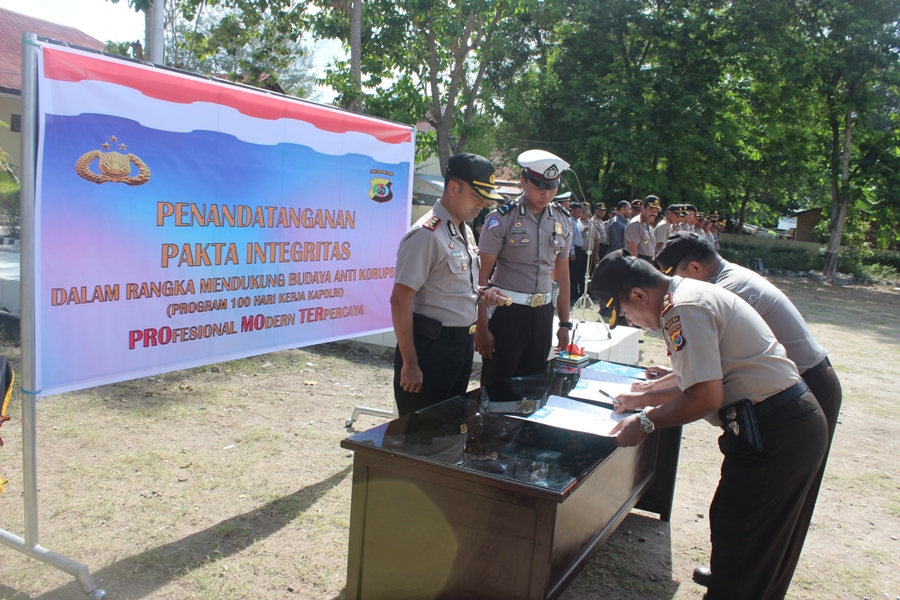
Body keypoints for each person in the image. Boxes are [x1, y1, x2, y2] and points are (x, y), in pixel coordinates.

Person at [589, 250, 827, 600]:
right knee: (745, 543)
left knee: (742, 543)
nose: (633, 323)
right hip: (783, 426)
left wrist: (643, 422)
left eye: (626, 314)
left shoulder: (683, 309)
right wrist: (642, 398)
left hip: (776, 433)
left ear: (640, 295)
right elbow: (701, 377)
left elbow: (704, 396)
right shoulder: (687, 296)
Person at [654, 232, 842, 597]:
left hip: (801, 392)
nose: (672, 290)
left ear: (695, 267)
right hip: (784, 391)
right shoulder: (721, 281)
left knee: (777, 510)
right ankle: (733, 572)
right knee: (739, 507)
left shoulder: (726, 290)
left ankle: (757, 583)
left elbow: (710, 381)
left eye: (674, 278)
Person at [391, 153, 509, 416]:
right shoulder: (426, 234)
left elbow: (448, 285)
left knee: (449, 429)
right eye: (477, 197)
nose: (483, 205)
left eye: (485, 198)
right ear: (453, 188)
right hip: (431, 350)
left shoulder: (462, 229)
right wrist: (410, 363)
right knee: (421, 434)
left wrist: (482, 294)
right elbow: (400, 299)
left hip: (459, 348)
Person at [476, 149, 573, 387]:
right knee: (499, 386)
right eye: (539, 184)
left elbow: (561, 276)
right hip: (507, 314)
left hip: (542, 315)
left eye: (552, 185)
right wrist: (481, 326)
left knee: (534, 385)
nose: (546, 192)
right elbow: (479, 278)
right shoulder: (501, 219)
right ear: (523, 181)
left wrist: (564, 324)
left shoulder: (562, 220)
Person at [625, 195, 661, 261]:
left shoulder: (647, 225)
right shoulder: (636, 224)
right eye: (651, 209)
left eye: (656, 211)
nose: (654, 214)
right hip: (640, 264)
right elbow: (632, 249)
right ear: (643, 208)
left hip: (647, 263)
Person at [568, 201, 588, 299]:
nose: (580, 214)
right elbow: (570, 239)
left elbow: (583, 236)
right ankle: (572, 294)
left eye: (581, 212)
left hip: (580, 249)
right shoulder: (570, 221)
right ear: (572, 211)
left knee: (579, 273)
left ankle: (577, 293)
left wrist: (585, 231)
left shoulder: (578, 221)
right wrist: (572, 252)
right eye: (578, 212)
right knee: (573, 274)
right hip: (574, 249)